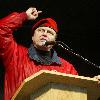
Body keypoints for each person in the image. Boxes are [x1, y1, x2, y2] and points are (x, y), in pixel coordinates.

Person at [0, 7, 100, 100]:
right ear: (32, 37)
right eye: (40, 30)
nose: (44, 33)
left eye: (50, 32)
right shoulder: (15, 54)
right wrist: (23, 16)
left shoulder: (67, 67)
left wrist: (93, 84)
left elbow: (76, 92)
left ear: (54, 40)